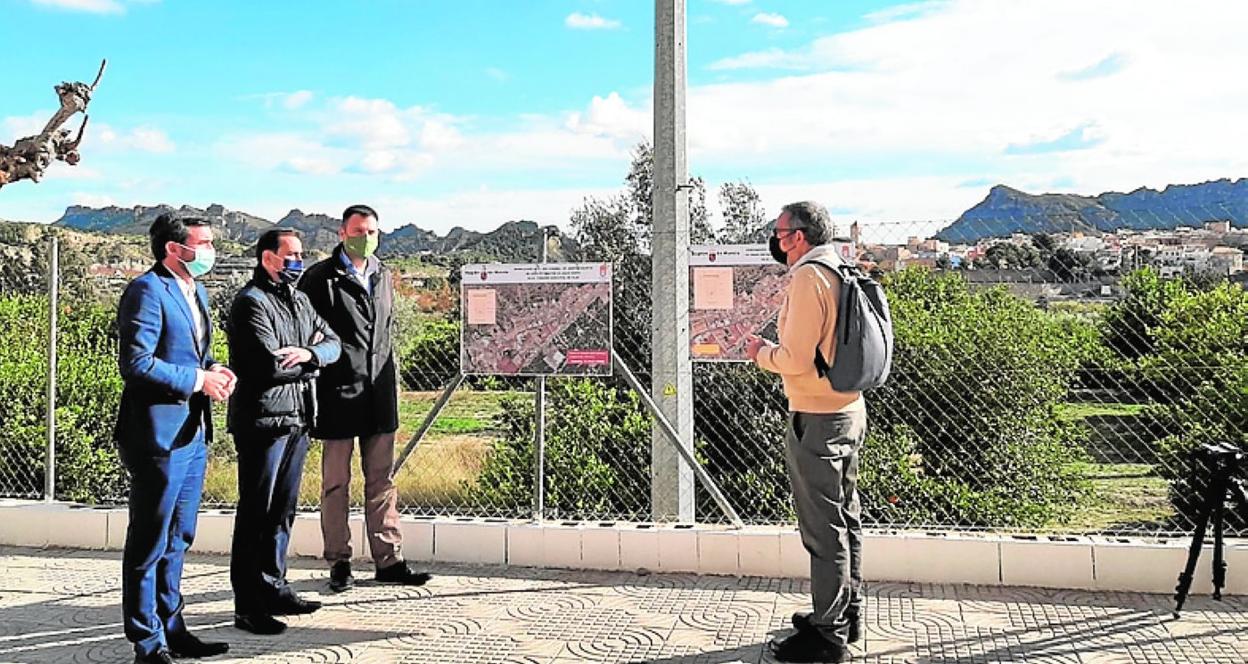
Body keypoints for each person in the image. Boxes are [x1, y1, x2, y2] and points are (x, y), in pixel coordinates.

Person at [746, 201, 867, 664]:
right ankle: (845, 613)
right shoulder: (840, 267)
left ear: (798, 236)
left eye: (778, 232)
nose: (775, 240)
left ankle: (826, 636)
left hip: (817, 416)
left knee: (822, 528)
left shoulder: (807, 276)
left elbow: (795, 360)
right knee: (844, 518)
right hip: (849, 408)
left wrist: (761, 352)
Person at [115, 214, 233, 664]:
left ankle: (173, 626)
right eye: (202, 244)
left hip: (193, 433)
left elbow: (195, 354)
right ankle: (146, 643)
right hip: (157, 436)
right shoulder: (147, 290)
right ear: (172, 248)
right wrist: (197, 379)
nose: (209, 253)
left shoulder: (194, 289)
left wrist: (215, 372)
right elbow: (137, 364)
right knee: (149, 539)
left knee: (179, 537)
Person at [298, 204, 431, 591]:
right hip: (337, 395)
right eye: (358, 231)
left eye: (372, 231)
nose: (365, 238)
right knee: (336, 484)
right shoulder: (319, 278)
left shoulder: (383, 274)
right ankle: (338, 563)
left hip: (379, 395)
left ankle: (389, 561)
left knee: (382, 481)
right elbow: (308, 334)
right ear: (342, 233)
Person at [227, 229, 341, 635]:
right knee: (256, 512)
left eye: (301, 254)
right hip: (263, 422)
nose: (298, 261)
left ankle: (274, 586)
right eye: (290, 255)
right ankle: (248, 604)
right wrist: (311, 360)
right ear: (268, 259)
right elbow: (267, 364)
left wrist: (309, 352)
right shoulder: (250, 304)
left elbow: (333, 343)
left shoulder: (299, 299)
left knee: (283, 511)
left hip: (297, 417)